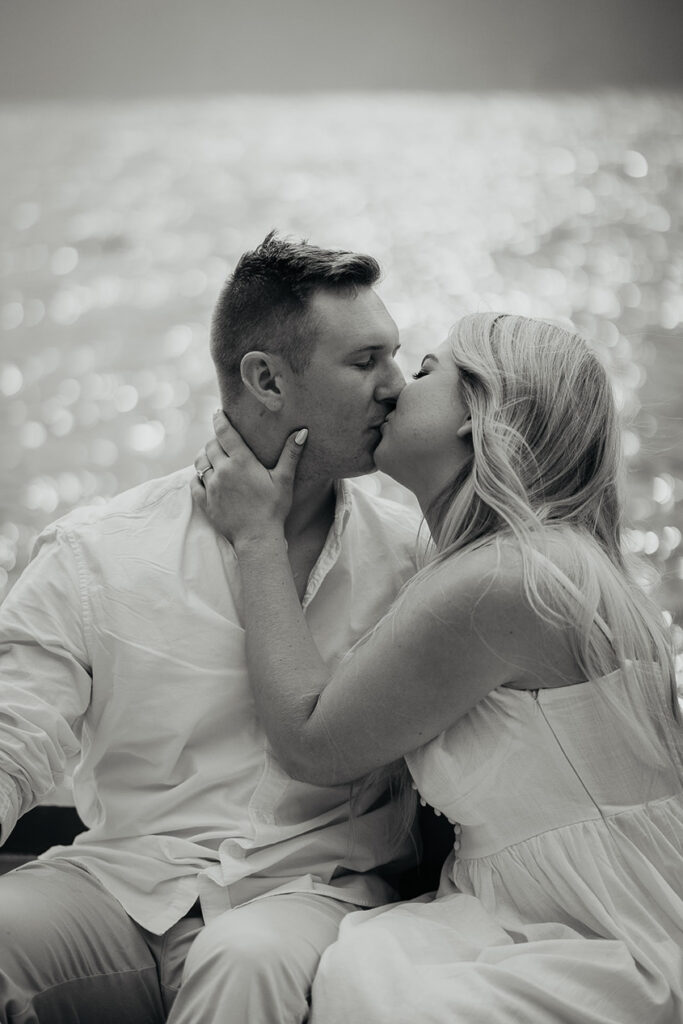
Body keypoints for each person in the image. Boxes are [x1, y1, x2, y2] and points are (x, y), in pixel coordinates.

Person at [196, 312, 683, 1023]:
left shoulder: (500, 580)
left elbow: (310, 741)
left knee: (389, 989)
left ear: (475, 415)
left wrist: (257, 534)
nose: (394, 387)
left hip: (603, 940)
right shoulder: (551, 562)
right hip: (544, 904)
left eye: (426, 370)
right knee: (364, 964)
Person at [0, 232, 422, 1023]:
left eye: (394, 357)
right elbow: (11, 734)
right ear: (265, 378)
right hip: (122, 887)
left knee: (245, 960)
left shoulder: (410, 558)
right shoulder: (99, 551)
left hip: (310, 897)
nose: (396, 387)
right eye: (366, 362)